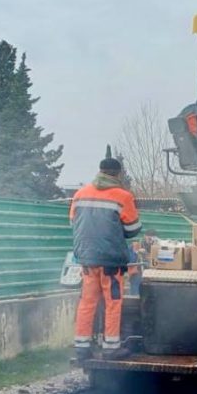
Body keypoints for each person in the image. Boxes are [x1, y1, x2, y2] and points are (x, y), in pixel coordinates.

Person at [69, 154, 142, 361]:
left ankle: (82, 346)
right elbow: (133, 229)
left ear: (100, 171)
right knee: (113, 301)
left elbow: (74, 223)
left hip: (86, 259)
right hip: (110, 261)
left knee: (87, 301)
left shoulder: (80, 194)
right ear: (118, 174)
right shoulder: (122, 196)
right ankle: (111, 347)